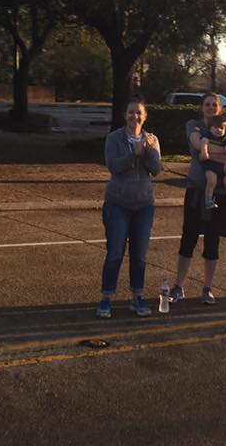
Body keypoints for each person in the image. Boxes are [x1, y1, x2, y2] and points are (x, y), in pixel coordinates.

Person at [168, 92, 226, 306]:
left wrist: (216, 151)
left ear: (220, 109)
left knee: (212, 241)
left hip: (219, 193)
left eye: (214, 105)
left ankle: (207, 288)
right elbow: (199, 145)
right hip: (197, 191)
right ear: (202, 107)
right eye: (207, 104)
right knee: (188, 238)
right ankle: (178, 286)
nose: (210, 108)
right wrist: (224, 151)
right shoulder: (194, 125)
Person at [96, 96, 162, 319]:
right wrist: (134, 153)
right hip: (118, 204)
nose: (135, 116)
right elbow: (114, 167)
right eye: (131, 112)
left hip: (144, 205)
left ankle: (137, 296)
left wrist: (148, 151)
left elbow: (156, 169)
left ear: (145, 116)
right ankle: (106, 297)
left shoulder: (152, 139)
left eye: (139, 112)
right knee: (115, 253)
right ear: (125, 115)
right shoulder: (114, 138)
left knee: (139, 255)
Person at [199, 114, 226, 216]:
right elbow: (204, 143)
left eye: (221, 128)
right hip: (211, 165)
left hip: (223, 166)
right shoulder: (207, 136)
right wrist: (204, 152)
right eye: (215, 127)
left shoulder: (225, 140)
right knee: (211, 181)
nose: (218, 130)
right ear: (210, 128)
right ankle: (208, 201)